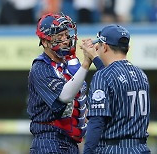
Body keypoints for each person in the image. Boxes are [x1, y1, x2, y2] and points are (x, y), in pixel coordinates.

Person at [80, 24, 151, 154]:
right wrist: (95, 58)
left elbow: (96, 123)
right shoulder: (141, 75)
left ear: (105, 47)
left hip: (114, 149)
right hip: (141, 149)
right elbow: (114, 78)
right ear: (127, 48)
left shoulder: (103, 76)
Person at [27, 13, 92, 154]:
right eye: (59, 36)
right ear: (45, 42)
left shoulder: (69, 63)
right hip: (49, 140)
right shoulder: (41, 67)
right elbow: (65, 96)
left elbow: (80, 103)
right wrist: (87, 63)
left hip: (71, 143)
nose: (65, 40)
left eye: (66, 34)